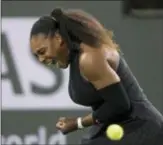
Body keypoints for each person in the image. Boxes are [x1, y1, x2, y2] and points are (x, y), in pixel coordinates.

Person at [30, 8, 163, 145]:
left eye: (42, 51)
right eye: (37, 55)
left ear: (58, 39)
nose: (41, 59)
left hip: (143, 129)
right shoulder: (77, 56)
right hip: (122, 128)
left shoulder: (89, 59)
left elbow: (119, 104)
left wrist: (78, 123)